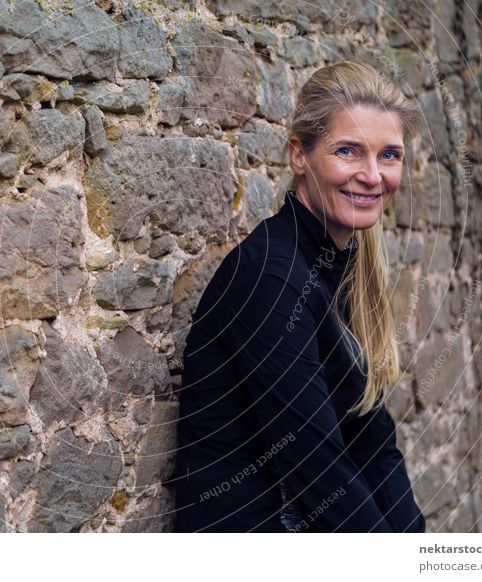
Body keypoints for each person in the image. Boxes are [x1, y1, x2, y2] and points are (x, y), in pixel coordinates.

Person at [169, 59, 426, 532]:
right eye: (348, 151)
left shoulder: (342, 266)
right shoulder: (270, 275)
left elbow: (371, 437)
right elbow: (319, 469)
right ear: (298, 155)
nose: (373, 176)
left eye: (389, 155)